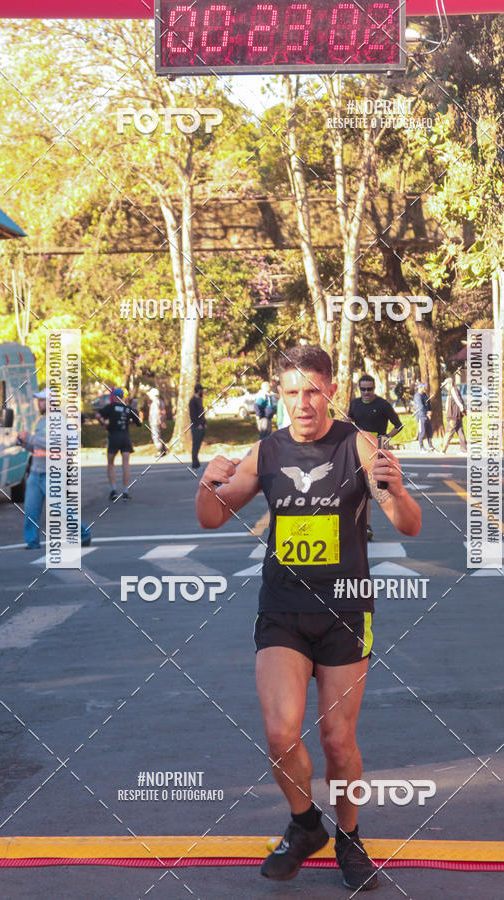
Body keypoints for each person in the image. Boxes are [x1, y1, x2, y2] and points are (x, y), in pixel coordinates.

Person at [196, 344, 421, 892]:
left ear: (331, 391)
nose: (303, 403)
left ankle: (349, 837)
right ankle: (304, 825)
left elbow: (409, 525)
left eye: (313, 392)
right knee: (279, 732)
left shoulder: (360, 446)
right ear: (280, 395)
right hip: (283, 610)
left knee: (337, 741)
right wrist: (208, 480)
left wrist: (393, 490)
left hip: (345, 610)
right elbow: (210, 517)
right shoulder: (266, 452)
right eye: (292, 393)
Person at [18, 388, 91, 548]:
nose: (39, 403)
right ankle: (32, 542)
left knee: (60, 508)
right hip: (36, 472)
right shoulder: (42, 421)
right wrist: (25, 444)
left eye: (43, 400)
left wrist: (30, 437)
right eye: (39, 400)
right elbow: (38, 448)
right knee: (31, 510)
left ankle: (84, 533)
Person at [347, 374, 404, 541]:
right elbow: (350, 420)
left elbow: (399, 425)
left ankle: (366, 525)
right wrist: (347, 423)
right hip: (358, 449)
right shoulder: (355, 403)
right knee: (358, 488)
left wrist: (385, 438)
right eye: (363, 389)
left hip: (378, 450)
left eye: (369, 389)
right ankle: (361, 525)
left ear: (374, 389)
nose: (366, 392)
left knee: (371, 489)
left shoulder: (383, 405)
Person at [96, 387, 141, 501]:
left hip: (113, 436)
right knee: (125, 464)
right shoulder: (128, 408)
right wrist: (129, 422)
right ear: (123, 397)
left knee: (110, 463)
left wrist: (103, 424)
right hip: (125, 437)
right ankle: (125, 491)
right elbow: (138, 423)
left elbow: (98, 415)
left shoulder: (110, 407)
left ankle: (113, 490)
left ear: (114, 397)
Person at [441, 379, 467, 453]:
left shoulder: (453, 390)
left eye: (446, 385)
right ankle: (464, 450)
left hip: (453, 416)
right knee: (460, 432)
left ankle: (443, 450)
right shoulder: (452, 391)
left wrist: (462, 409)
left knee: (448, 432)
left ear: (450, 384)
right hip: (456, 416)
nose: (445, 387)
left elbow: (458, 400)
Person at [413, 381, 434, 452]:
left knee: (429, 431)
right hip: (421, 416)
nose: (425, 388)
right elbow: (420, 407)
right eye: (424, 387)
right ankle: (421, 447)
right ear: (420, 388)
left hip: (427, 416)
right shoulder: (417, 396)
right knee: (422, 431)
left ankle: (431, 446)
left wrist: (430, 411)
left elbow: (428, 403)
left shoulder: (424, 395)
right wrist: (426, 413)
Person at [189, 383, 206, 469]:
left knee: (199, 445)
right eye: (201, 390)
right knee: (195, 445)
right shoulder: (193, 401)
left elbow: (202, 413)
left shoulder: (200, 399)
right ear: (198, 390)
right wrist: (197, 424)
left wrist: (204, 423)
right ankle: (195, 463)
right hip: (196, 426)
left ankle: (197, 463)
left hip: (202, 425)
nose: (202, 391)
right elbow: (193, 415)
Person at [148, 387, 167, 457]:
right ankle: (163, 449)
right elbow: (163, 411)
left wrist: (160, 420)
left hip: (155, 421)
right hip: (157, 421)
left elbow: (158, 412)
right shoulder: (160, 401)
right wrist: (163, 420)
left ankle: (160, 450)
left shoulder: (155, 402)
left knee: (155, 436)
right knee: (158, 435)